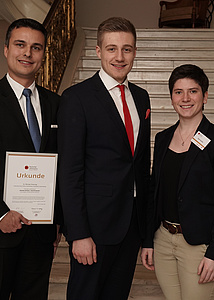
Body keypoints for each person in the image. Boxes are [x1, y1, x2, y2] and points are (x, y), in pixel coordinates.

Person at [58, 17, 151, 300]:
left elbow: (141, 166)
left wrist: (145, 233)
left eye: (127, 49)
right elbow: (70, 172)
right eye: (112, 49)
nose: (119, 57)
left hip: (131, 226)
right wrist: (78, 233)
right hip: (94, 229)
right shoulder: (77, 97)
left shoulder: (141, 97)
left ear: (135, 52)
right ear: (98, 51)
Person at [141, 64, 214, 300]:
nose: (185, 98)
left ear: (205, 96)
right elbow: (155, 192)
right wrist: (148, 241)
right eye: (178, 92)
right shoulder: (162, 138)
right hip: (163, 240)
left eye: (193, 91)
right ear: (171, 97)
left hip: (199, 246)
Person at [0, 18, 62, 299]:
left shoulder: (56, 104)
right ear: (6, 49)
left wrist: (58, 218)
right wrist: (0, 213)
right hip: (1, 229)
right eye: (20, 45)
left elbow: (63, 164)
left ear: (43, 54)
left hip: (40, 232)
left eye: (36, 47)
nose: (27, 53)